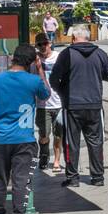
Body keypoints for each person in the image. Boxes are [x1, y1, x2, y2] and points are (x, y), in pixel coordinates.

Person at [0, 43, 50, 214]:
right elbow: (47, 94)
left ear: (13, 57)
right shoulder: (33, 81)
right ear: (31, 62)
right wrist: (39, 69)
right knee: (21, 182)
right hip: (24, 139)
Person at [50, 25, 108, 188]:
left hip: (72, 105)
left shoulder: (67, 54)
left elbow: (53, 79)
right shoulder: (100, 53)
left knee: (71, 141)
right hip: (94, 104)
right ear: (89, 37)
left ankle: (73, 178)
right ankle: (98, 177)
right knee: (95, 141)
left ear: (73, 38)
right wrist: (95, 76)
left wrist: (63, 94)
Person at [31, 32, 64, 172]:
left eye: (45, 43)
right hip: (42, 105)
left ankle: (56, 160)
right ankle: (44, 155)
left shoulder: (58, 57)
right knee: (44, 136)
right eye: (39, 45)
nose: (43, 47)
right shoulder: (36, 61)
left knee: (58, 136)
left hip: (59, 103)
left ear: (49, 43)